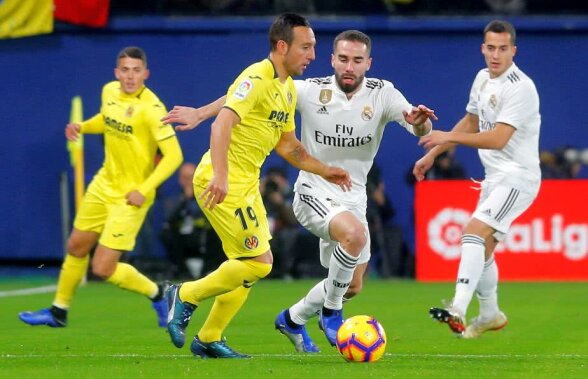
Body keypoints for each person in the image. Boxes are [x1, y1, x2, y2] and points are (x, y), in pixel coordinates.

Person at [163, 29, 436, 353]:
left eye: (357, 60)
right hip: (311, 192)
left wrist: (420, 123)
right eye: (343, 59)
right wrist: (200, 112)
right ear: (333, 60)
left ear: (368, 63)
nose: (349, 66)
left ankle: (284, 321)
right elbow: (239, 98)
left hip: (350, 193)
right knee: (263, 261)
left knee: (350, 284)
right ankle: (329, 312)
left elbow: (418, 124)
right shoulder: (307, 90)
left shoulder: (382, 94)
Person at [161, 13, 352, 359]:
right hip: (224, 181)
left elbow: (290, 147)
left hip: (245, 184)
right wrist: (220, 174)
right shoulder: (258, 75)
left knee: (245, 267)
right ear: (282, 47)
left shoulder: (284, 89)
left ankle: (209, 338)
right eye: (306, 47)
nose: (312, 55)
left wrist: (326, 170)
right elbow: (222, 126)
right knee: (259, 262)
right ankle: (184, 295)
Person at [18, 46, 183, 329]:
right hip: (103, 184)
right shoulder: (109, 91)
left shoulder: (153, 109)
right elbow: (107, 121)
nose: (130, 76)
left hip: (131, 197)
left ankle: (159, 294)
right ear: (116, 73)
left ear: (146, 73)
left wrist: (144, 188)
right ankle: (58, 312)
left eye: (136, 71)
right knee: (76, 246)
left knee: (103, 268)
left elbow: (174, 156)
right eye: (125, 70)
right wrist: (83, 126)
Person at [413, 20, 541, 338]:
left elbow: (498, 139)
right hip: (494, 178)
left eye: (502, 49)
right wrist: (434, 153)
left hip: (518, 178)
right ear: (482, 48)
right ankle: (490, 314)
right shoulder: (482, 78)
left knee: (472, 232)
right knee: (482, 247)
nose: (495, 55)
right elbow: (471, 121)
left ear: (514, 50)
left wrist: (444, 134)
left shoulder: (520, 87)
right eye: (490, 48)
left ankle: (457, 306)